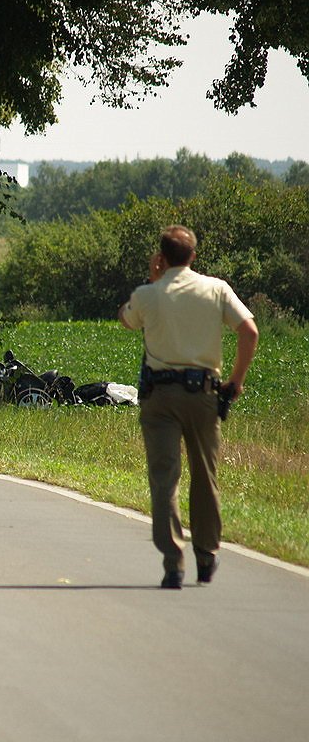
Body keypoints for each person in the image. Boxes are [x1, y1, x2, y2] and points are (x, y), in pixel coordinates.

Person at [119, 225, 258, 590]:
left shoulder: (149, 293)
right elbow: (249, 331)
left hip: (160, 398)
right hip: (204, 394)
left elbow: (126, 319)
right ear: (193, 256)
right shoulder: (216, 289)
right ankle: (207, 554)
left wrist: (153, 279)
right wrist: (236, 380)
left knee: (165, 479)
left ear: (161, 257)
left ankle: (173, 563)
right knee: (205, 476)